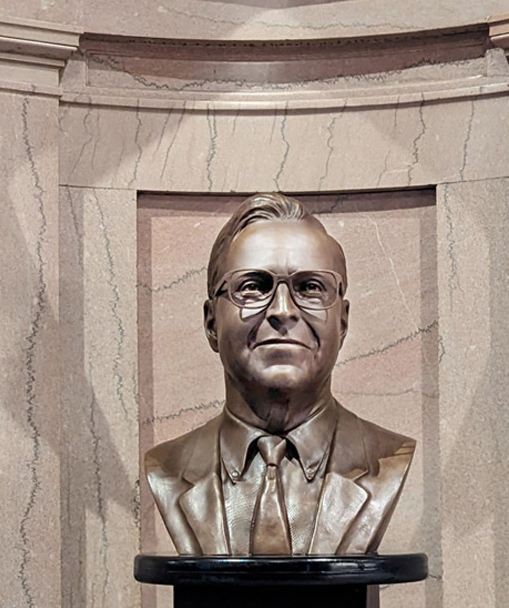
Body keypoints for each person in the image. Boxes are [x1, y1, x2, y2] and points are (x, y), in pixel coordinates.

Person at [146, 193, 415, 556]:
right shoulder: (166, 469)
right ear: (211, 323)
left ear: (344, 322)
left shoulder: (389, 459)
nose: (283, 310)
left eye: (310, 287)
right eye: (253, 286)